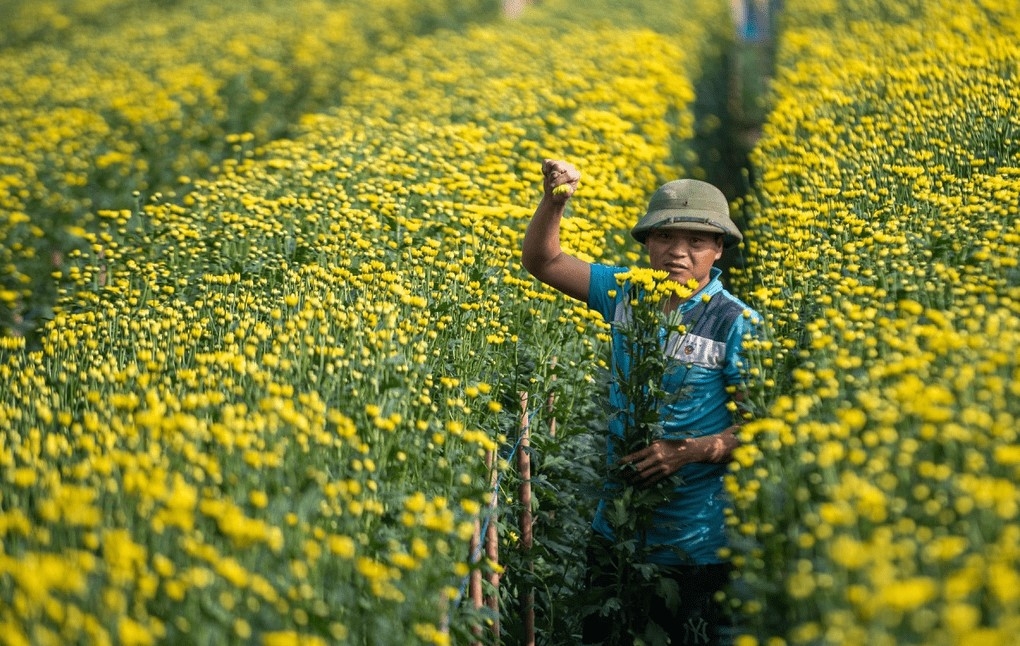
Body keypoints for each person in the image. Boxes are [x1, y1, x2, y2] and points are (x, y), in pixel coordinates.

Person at [521, 159, 761, 645]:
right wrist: (556, 199)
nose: (679, 253)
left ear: (718, 250)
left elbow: (761, 429)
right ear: (647, 244)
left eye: (696, 241)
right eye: (666, 238)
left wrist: (691, 450)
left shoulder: (736, 322)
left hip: (698, 544)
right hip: (618, 530)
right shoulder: (626, 293)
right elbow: (543, 261)